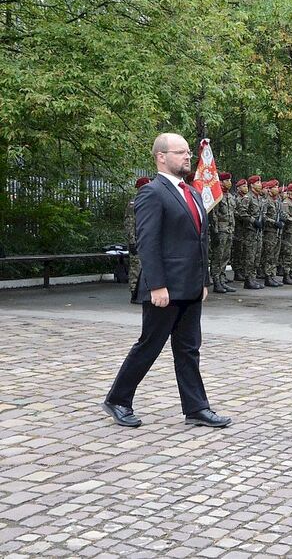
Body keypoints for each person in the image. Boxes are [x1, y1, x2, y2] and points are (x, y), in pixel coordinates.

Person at [102, 133, 231, 428]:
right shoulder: (152, 192)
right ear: (161, 157)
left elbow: (200, 242)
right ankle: (118, 400)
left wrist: (204, 281)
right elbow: (148, 243)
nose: (187, 157)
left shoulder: (194, 193)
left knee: (188, 349)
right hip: (165, 288)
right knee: (150, 344)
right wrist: (156, 285)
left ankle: (196, 408)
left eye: (188, 152)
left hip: (190, 287)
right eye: (181, 152)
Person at [209, 172, 237, 294]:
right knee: (218, 257)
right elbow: (213, 214)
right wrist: (214, 230)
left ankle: (222, 279)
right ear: (221, 181)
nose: (229, 182)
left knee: (225, 256)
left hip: (229, 230)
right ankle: (216, 281)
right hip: (220, 230)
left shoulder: (229, 196)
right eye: (227, 180)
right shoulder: (217, 195)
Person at [235, 175, 264, 289]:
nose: (260, 185)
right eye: (257, 183)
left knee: (257, 256)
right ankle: (248, 280)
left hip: (258, 232)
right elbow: (242, 212)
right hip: (250, 231)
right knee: (250, 256)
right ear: (252, 185)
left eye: (260, 183)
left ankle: (253, 278)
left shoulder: (259, 198)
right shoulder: (248, 197)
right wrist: (253, 221)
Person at [126, 177, 151, 303]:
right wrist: (132, 242)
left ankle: (142, 292)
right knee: (136, 267)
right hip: (136, 240)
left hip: (146, 240)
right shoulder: (134, 203)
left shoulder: (147, 201)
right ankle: (134, 292)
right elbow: (130, 224)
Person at [230, 179, 249, 282]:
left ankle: (241, 270)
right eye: (243, 186)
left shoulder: (246, 198)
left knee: (243, 250)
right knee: (238, 250)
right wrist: (243, 217)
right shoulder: (236, 199)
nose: (246, 188)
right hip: (238, 228)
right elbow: (235, 212)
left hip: (245, 228)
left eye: (246, 186)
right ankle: (237, 271)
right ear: (238, 188)